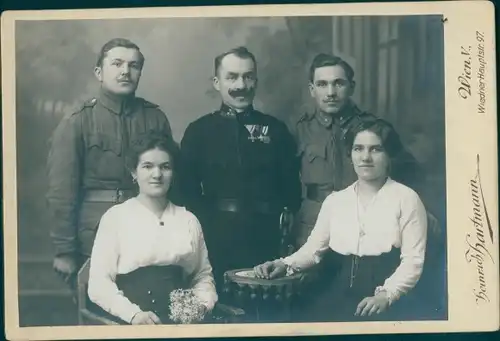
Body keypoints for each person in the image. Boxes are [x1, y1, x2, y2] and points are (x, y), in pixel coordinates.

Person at [254, 118, 428, 322]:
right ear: (350, 154)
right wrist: (284, 264)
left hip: (384, 291)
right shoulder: (335, 201)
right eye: (358, 149)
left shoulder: (407, 199)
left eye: (376, 149)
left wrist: (386, 295)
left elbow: (413, 261)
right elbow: (313, 250)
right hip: (336, 289)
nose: (365, 157)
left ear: (389, 155)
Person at [46, 38, 173, 291]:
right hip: (94, 232)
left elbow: (171, 182)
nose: (126, 71)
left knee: (148, 306)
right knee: (97, 312)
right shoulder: (78, 122)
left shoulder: (155, 118)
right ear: (99, 72)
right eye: (117, 64)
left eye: (133, 66)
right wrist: (64, 250)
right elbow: (61, 191)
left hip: (148, 229)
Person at [176, 46, 302, 292]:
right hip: (216, 237)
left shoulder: (275, 129)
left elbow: (291, 191)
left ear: (256, 79)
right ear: (216, 82)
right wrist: (207, 227)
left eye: (248, 76)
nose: (241, 85)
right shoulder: (199, 131)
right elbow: (184, 192)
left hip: (267, 239)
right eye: (232, 77)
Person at [289, 53, 423, 248]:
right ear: (312, 89)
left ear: (351, 87)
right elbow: (285, 184)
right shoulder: (301, 130)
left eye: (338, 83)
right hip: (312, 225)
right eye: (322, 84)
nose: (330, 92)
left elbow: (410, 177)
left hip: (364, 224)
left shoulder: (376, 129)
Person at [87, 132, 217, 325]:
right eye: (147, 166)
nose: (157, 175)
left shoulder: (188, 220)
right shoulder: (116, 218)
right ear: (134, 172)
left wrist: (200, 306)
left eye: (165, 167)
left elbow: (202, 276)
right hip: (131, 323)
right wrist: (133, 315)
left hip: (180, 324)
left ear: (173, 173)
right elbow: (99, 284)